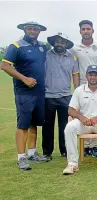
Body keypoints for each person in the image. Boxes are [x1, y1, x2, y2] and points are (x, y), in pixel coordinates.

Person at [1, 21, 49, 170]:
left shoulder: (42, 47)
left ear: (39, 31)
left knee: (34, 123)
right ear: (24, 29)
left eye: (35, 29)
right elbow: (5, 66)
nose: (33, 31)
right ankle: (21, 158)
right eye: (30, 28)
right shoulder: (16, 46)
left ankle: (32, 153)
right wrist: (24, 79)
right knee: (23, 125)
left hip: (40, 92)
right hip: (24, 92)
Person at [63, 65, 97, 175]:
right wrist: (82, 117)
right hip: (84, 123)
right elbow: (71, 110)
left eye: (95, 75)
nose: (93, 77)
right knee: (69, 128)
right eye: (90, 74)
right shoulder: (79, 90)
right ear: (86, 76)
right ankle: (72, 164)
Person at [71, 20, 97, 157]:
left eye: (88, 29)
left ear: (93, 31)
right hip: (82, 85)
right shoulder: (74, 47)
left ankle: (94, 146)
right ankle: (85, 146)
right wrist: (77, 88)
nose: (86, 31)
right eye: (83, 29)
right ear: (80, 31)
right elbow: (74, 68)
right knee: (84, 114)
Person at [42, 33, 79, 160]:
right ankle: (47, 152)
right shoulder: (46, 55)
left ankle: (65, 150)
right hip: (48, 95)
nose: (60, 44)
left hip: (65, 95)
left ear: (66, 44)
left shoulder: (72, 58)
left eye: (62, 42)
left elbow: (75, 75)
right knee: (48, 125)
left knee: (65, 125)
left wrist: (77, 93)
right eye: (57, 42)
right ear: (53, 43)